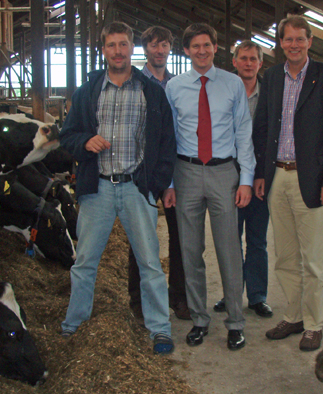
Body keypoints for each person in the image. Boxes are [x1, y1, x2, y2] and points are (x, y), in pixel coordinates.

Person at [59, 22, 176, 355]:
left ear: (131, 48)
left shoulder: (151, 92)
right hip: (97, 189)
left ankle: (159, 329)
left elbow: (167, 143)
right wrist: (85, 141)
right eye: (111, 45)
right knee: (84, 262)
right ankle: (75, 322)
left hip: (135, 189)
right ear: (104, 50)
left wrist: (154, 184)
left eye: (123, 44)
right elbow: (67, 137)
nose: (118, 51)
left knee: (150, 263)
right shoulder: (88, 92)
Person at [252, 15, 323, 351]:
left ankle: (314, 324)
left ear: (310, 41)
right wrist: (261, 174)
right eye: (287, 39)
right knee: (285, 256)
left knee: (313, 259)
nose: (293, 45)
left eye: (300, 39)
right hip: (279, 175)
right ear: (280, 43)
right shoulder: (273, 76)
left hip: (314, 179)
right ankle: (293, 316)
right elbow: (263, 127)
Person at [163, 23, 255, 351]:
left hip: (223, 173)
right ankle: (200, 318)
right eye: (194, 46)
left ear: (216, 48)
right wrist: (170, 183)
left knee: (229, 250)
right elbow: (168, 136)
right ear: (185, 50)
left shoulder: (232, 85)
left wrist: (245, 179)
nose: (201, 51)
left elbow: (244, 134)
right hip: (185, 172)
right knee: (190, 250)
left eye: (207, 45)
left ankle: (235, 322)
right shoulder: (173, 87)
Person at [126, 26, 191, 322]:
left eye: (164, 44)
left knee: (180, 237)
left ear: (170, 48)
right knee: (141, 236)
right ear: (145, 48)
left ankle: (179, 296)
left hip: (177, 170)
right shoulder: (135, 82)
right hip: (144, 171)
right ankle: (139, 299)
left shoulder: (179, 85)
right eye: (153, 44)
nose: (159, 50)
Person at [213, 40, 273, 318]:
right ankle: (231, 293)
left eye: (254, 59)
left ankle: (258, 296)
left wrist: (261, 174)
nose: (248, 63)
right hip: (227, 173)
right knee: (230, 238)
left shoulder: (270, 94)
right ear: (234, 61)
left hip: (260, 176)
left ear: (261, 64)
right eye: (243, 58)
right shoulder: (223, 91)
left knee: (257, 238)